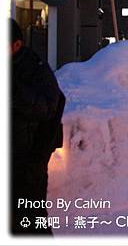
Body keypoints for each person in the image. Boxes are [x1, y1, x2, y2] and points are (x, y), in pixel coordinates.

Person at [10, 19, 65, 235]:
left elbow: (49, 108)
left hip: (29, 158)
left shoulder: (35, 69)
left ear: (17, 45)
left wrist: (15, 92)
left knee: (30, 220)